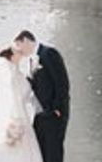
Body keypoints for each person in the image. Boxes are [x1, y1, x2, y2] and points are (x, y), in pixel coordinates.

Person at [0, 45, 44, 162]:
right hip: (17, 117)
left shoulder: (16, 72)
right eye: (19, 54)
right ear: (12, 55)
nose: (21, 57)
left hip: (20, 115)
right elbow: (12, 99)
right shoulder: (10, 76)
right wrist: (15, 120)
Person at [14, 31, 70, 162]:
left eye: (19, 46)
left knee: (53, 152)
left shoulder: (49, 53)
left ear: (26, 41)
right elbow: (34, 85)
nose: (19, 51)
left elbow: (62, 82)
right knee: (41, 152)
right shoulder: (33, 59)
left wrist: (56, 108)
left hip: (54, 113)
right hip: (40, 114)